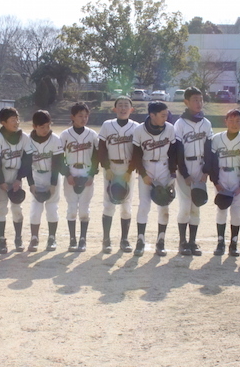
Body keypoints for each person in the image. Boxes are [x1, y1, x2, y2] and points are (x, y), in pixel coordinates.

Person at [131, 101, 177, 257]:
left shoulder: (170, 129)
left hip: (164, 168)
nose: (166, 117)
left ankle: (161, 241)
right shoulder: (139, 130)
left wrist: (172, 173)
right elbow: (136, 154)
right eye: (163, 115)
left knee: (164, 205)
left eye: (166, 114)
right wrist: (143, 174)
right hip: (147, 167)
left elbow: (174, 151)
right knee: (144, 205)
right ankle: (140, 240)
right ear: (152, 115)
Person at [204, 109, 240, 257]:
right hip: (222, 176)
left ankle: (234, 243)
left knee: (236, 212)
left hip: (237, 177)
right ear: (225, 122)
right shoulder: (217, 139)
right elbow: (211, 162)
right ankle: (220, 242)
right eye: (231, 120)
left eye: (238, 121)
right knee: (221, 209)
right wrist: (216, 182)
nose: (234, 124)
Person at [174, 87, 212, 256]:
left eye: (200, 99)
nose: (199, 103)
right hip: (185, 168)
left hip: (200, 167)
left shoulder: (207, 123)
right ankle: (182, 242)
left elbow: (210, 149)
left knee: (197, 206)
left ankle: (192, 242)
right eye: (195, 99)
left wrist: (206, 170)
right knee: (184, 207)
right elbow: (177, 151)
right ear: (186, 102)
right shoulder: (180, 124)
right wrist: (185, 173)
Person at [98, 96, 138, 253]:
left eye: (126, 105)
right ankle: (106, 240)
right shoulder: (107, 125)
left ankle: (124, 239)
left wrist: (130, 170)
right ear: (114, 109)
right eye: (120, 105)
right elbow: (101, 148)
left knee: (126, 206)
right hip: (111, 168)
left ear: (131, 109)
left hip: (128, 167)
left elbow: (137, 151)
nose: (123, 108)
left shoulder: (136, 127)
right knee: (109, 203)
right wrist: (106, 168)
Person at [0, 107, 33, 253]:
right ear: (3, 122)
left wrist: (19, 178)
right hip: (2, 175)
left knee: (17, 208)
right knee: (1, 208)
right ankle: (2, 240)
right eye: (12, 120)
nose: (16, 122)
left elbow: (28, 159)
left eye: (17, 119)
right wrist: (1, 182)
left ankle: (18, 239)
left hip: (16, 175)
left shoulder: (24, 137)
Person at [60, 102, 99, 252]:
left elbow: (96, 157)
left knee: (84, 209)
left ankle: (82, 239)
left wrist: (92, 175)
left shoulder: (92, 134)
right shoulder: (65, 135)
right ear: (72, 117)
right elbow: (59, 157)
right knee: (71, 209)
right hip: (71, 172)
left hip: (86, 172)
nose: (83, 119)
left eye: (86, 116)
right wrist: (67, 174)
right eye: (80, 116)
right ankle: (72, 239)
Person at [27, 110, 64, 251]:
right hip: (36, 176)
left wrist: (53, 184)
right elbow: (26, 164)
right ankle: (34, 238)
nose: (45, 129)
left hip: (51, 175)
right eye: (42, 127)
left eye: (48, 126)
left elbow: (57, 163)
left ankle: (52, 238)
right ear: (34, 126)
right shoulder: (28, 140)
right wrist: (31, 184)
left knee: (52, 208)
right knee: (35, 210)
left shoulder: (55, 139)